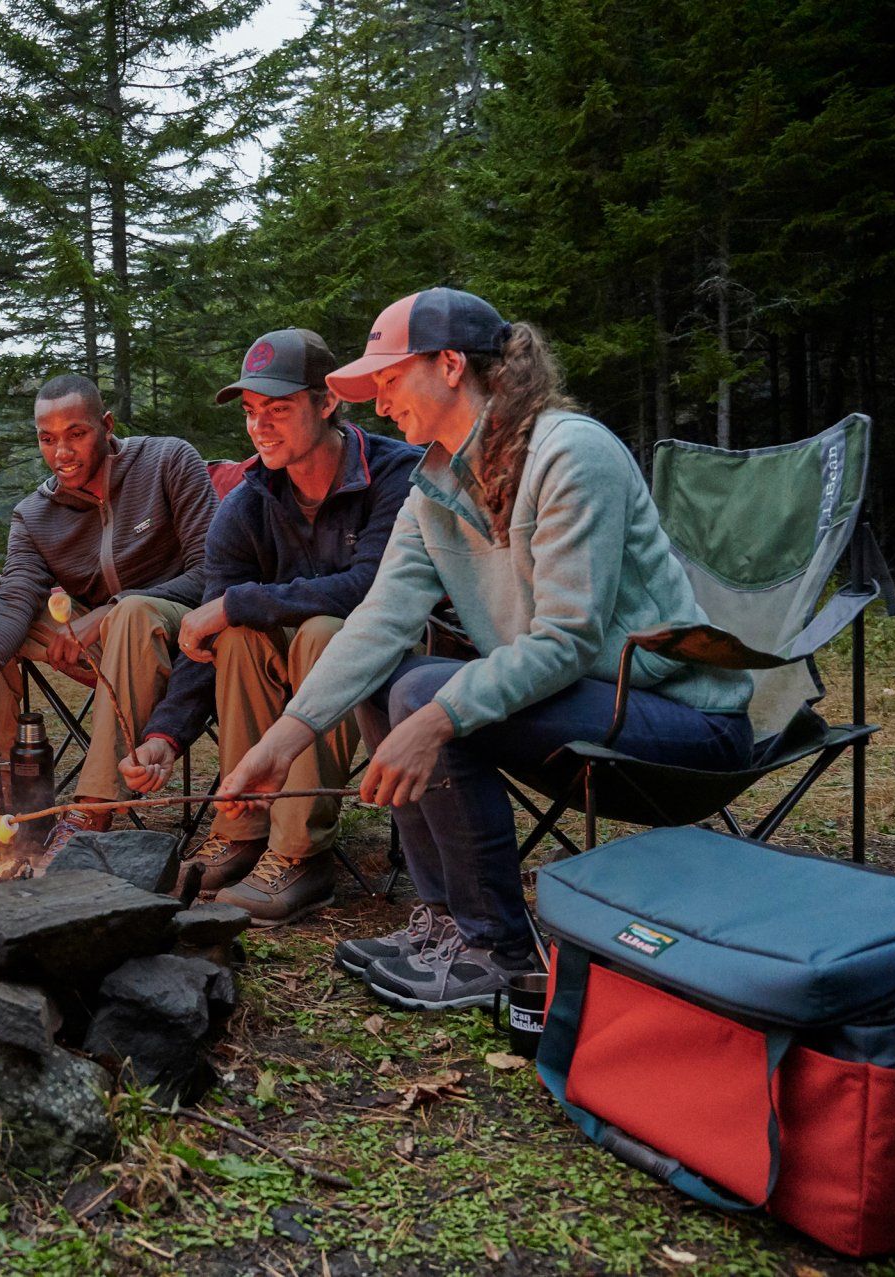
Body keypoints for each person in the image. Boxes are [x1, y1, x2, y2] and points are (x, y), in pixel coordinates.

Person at [216, 288, 754, 1009]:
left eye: (388, 379)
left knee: (422, 696)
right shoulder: (435, 483)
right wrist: (284, 739)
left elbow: (567, 639)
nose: (378, 405)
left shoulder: (571, 453)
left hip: (679, 724)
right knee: (392, 677)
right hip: (574, 714)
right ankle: (445, 924)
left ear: (448, 365)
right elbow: (379, 619)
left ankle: (497, 948)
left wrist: (438, 718)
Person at [120, 329, 421, 924]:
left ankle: (300, 853)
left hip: (399, 659)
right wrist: (165, 736)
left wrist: (241, 602)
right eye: (253, 413)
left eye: (278, 410)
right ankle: (242, 827)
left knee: (320, 632)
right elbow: (207, 634)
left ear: (328, 401)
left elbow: (374, 589)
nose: (261, 427)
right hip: (297, 677)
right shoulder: (249, 501)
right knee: (236, 635)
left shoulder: (396, 473)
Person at [0, 373, 219, 849]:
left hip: (180, 637)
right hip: (94, 648)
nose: (62, 453)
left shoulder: (167, 461)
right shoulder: (35, 514)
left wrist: (106, 613)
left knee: (131, 611)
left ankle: (92, 808)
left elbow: (211, 572)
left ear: (106, 424)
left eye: (77, 433)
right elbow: (14, 597)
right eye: (47, 439)